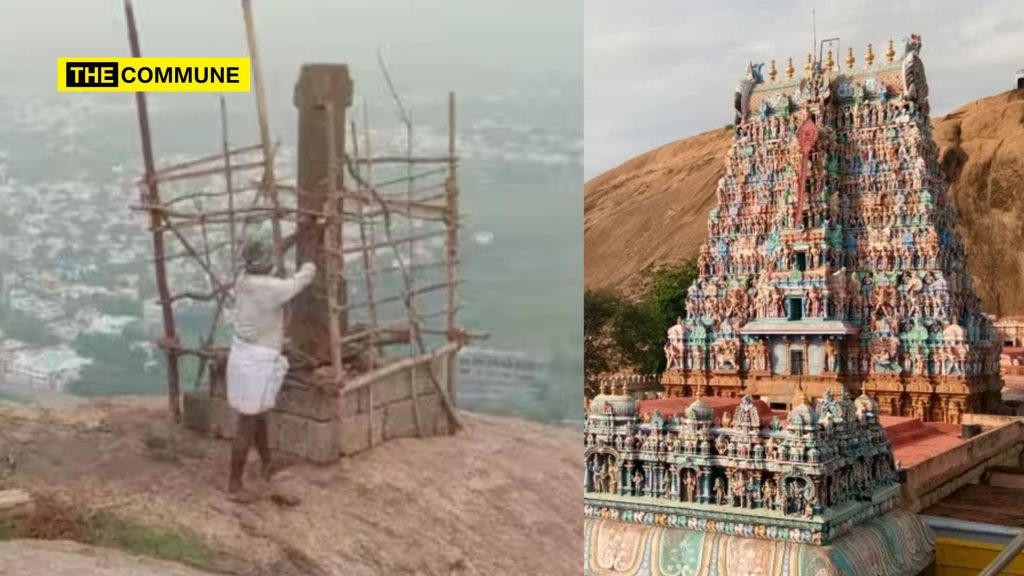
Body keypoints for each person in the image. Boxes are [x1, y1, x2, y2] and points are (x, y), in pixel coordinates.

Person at [226, 233, 317, 502]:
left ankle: (267, 463)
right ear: (265, 263)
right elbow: (304, 278)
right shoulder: (271, 289)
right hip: (257, 360)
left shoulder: (243, 280)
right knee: (247, 421)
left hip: (243, 354)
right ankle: (234, 484)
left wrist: (301, 231)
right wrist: (311, 249)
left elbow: (275, 252)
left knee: (258, 414)